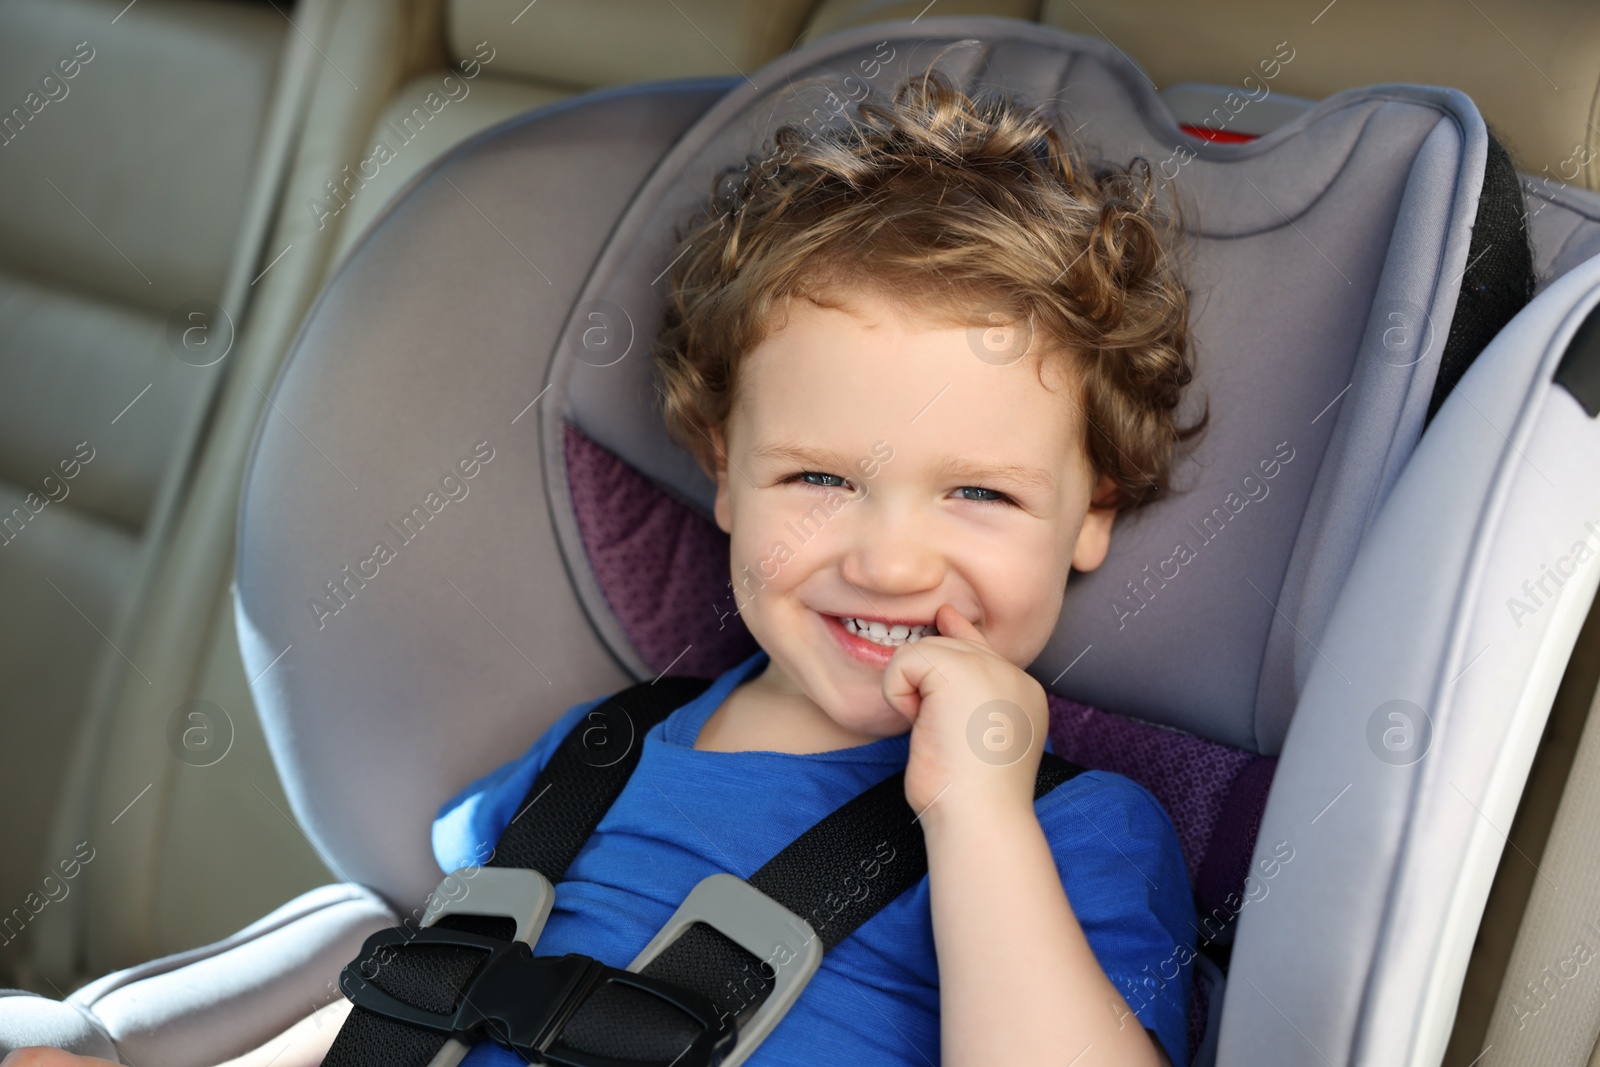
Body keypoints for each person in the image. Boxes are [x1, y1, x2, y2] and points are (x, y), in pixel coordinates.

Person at [4, 56, 1208, 1067]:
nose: (890, 561)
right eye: (820, 478)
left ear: (1092, 509)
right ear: (721, 472)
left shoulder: (1075, 830)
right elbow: (426, 987)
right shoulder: (599, 752)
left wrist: (977, 815)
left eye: (980, 493)